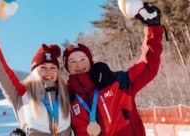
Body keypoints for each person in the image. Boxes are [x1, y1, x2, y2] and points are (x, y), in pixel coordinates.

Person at [62, 3, 163, 136]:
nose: (79, 65)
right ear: (67, 68)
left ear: (90, 62)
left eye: (83, 59)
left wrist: (153, 28)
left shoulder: (117, 81)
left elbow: (148, 66)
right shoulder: (66, 97)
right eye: (72, 61)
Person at [0, 0, 71, 135]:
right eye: (43, 67)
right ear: (34, 71)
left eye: (53, 67)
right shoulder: (21, 93)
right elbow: (0, 70)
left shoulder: (67, 93)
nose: (49, 71)